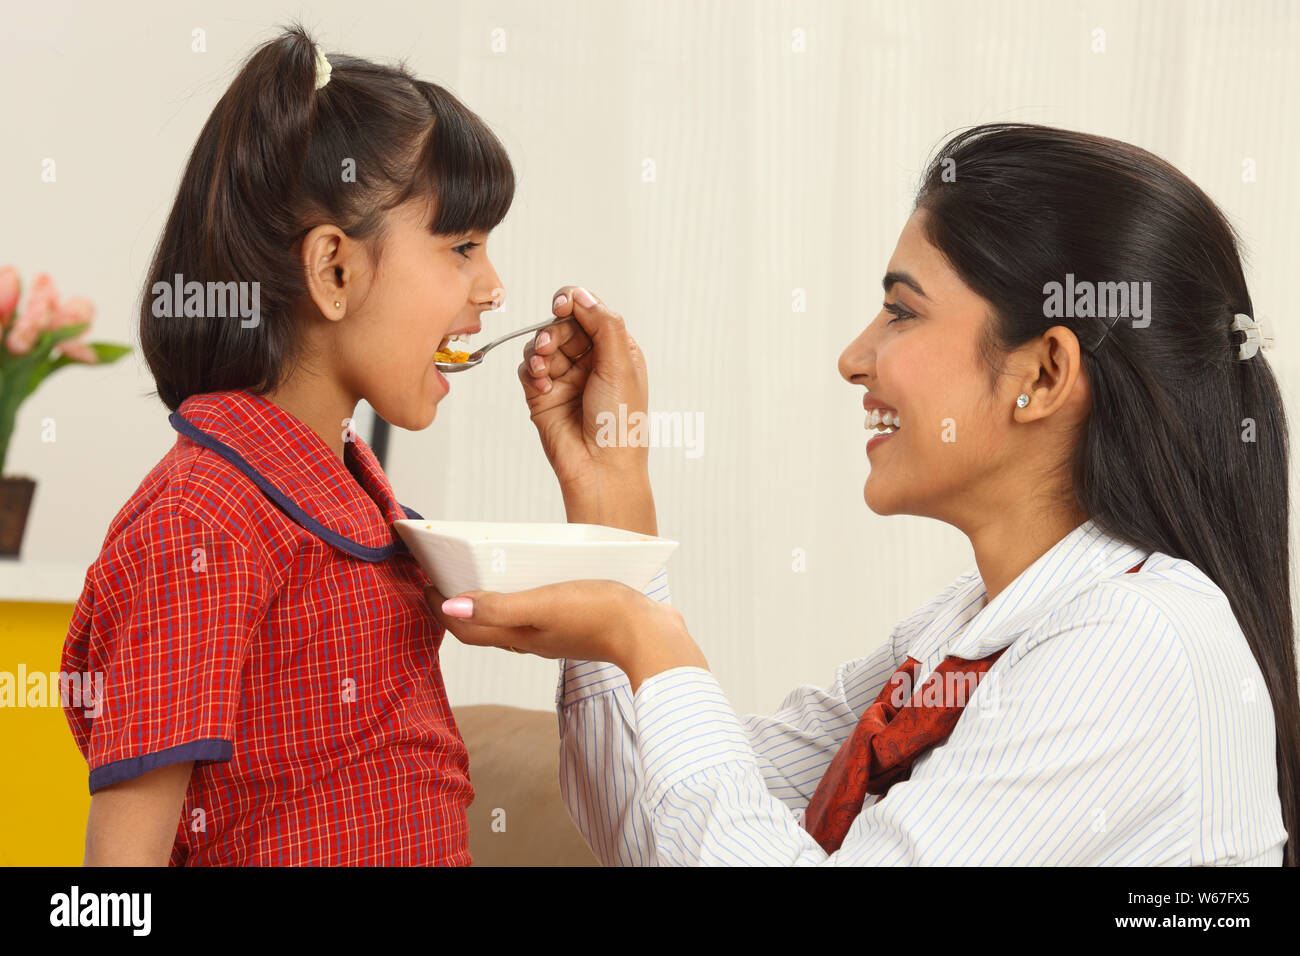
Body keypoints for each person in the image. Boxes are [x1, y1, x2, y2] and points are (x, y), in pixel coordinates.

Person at [429, 123, 1297, 866]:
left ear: (1044, 372)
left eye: (903, 312)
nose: (854, 357)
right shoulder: (963, 631)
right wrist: (614, 502)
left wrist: (648, 641)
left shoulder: (1137, 646)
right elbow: (661, 831)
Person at [62, 23, 516, 864]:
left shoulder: (350, 493)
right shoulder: (206, 524)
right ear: (333, 272)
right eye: (462, 247)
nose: (493, 288)